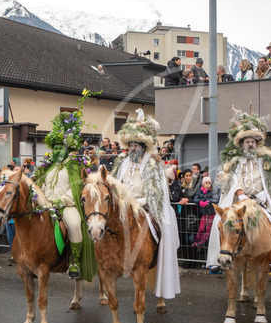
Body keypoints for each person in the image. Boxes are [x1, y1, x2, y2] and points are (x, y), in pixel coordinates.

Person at [206, 109, 271, 280]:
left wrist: (265, 193)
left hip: (260, 200)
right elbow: (231, 179)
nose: (250, 144)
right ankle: (219, 257)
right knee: (220, 222)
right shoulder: (234, 159)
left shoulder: (265, 160)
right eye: (247, 141)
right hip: (239, 200)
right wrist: (241, 195)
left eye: (253, 141)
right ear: (242, 143)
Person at [108, 110, 181, 298]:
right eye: (131, 145)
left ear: (143, 146)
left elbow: (156, 192)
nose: (133, 148)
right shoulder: (122, 162)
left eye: (136, 145)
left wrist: (137, 203)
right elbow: (115, 184)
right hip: (123, 207)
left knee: (165, 225)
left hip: (145, 206)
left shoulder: (152, 164)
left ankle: (162, 269)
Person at [34, 96, 97, 280]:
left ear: (67, 149)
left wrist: (63, 201)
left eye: (60, 148)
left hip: (67, 205)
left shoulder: (75, 166)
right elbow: (40, 185)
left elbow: (77, 188)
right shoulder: (48, 167)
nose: (56, 151)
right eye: (54, 148)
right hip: (47, 204)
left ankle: (74, 261)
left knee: (75, 225)